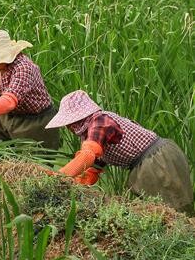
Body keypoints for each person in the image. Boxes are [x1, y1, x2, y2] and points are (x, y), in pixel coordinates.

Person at [46, 90, 194, 215]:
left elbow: (87, 155)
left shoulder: (100, 121)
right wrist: (71, 188)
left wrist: (59, 177)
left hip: (157, 161)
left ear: (77, 119)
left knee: (174, 209)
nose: (68, 127)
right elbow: (92, 171)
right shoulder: (91, 133)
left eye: (69, 123)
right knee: (157, 211)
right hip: (147, 163)